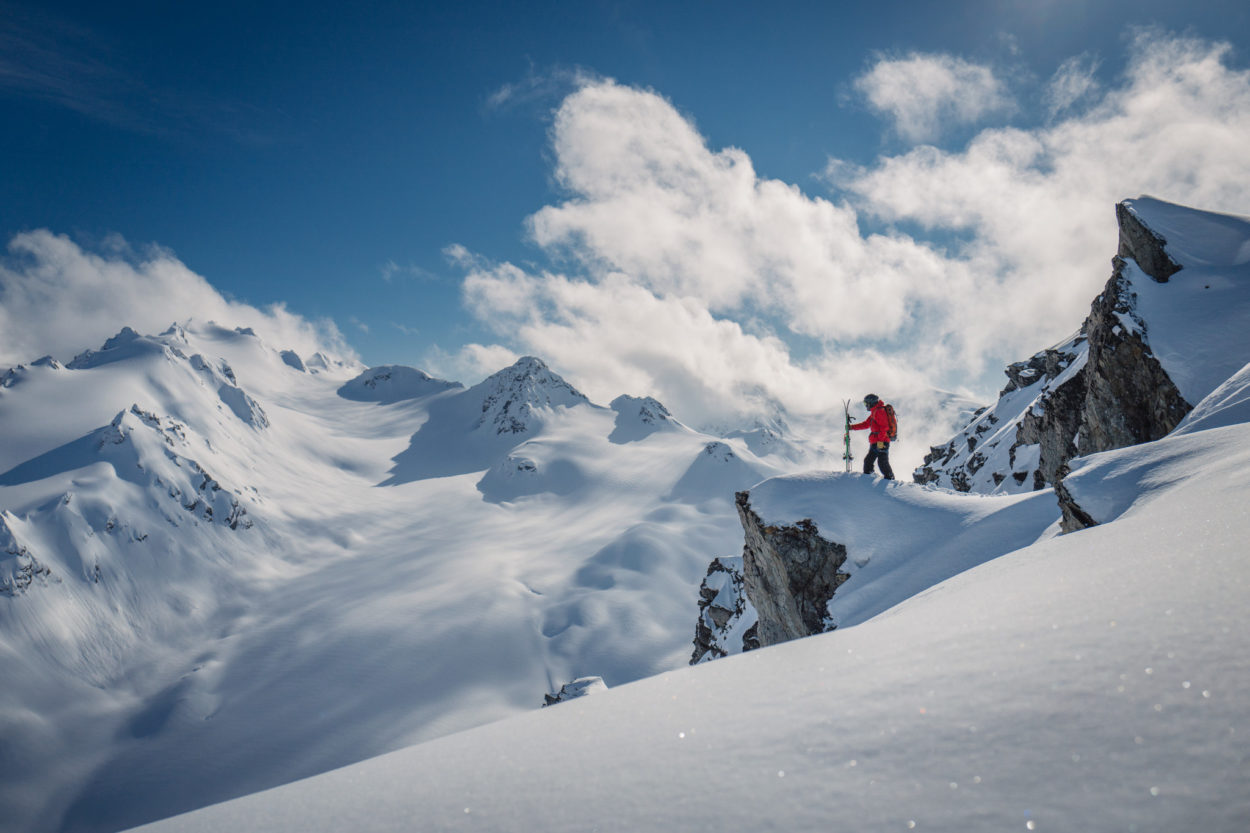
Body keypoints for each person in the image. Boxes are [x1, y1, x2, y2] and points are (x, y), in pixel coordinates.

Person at [849, 393, 894, 480]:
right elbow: (866, 424)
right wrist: (852, 427)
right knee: (868, 462)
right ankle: (869, 479)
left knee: (882, 462)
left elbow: (884, 428)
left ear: (871, 403)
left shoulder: (879, 411)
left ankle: (890, 479)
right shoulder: (874, 411)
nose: (866, 406)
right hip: (875, 442)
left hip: (881, 442)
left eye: (866, 404)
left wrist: (880, 442)